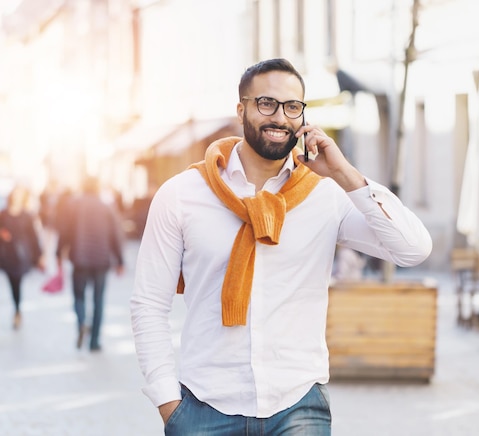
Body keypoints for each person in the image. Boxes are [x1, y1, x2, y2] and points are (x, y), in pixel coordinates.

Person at [130, 58, 432, 435]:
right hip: (205, 407)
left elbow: (413, 248)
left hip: (297, 407)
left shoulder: (325, 194)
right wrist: (169, 406)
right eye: (266, 104)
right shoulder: (182, 195)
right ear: (241, 109)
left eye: (292, 107)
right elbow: (149, 304)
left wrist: (344, 173)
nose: (280, 117)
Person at [56, 176, 125, 351]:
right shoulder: (106, 207)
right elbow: (115, 234)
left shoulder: (73, 205)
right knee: (98, 299)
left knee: (79, 296)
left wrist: (59, 252)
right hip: (101, 260)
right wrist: (120, 260)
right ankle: (94, 341)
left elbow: (64, 231)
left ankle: (81, 323)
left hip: (79, 258)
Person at [0, 185, 45, 329]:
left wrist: (39, 256)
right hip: (6, 255)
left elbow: (33, 236)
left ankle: (17, 309)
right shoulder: (3, 214)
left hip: (21, 255)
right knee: (12, 282)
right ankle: (17, 307)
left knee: (17, 281)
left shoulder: (27, 215)